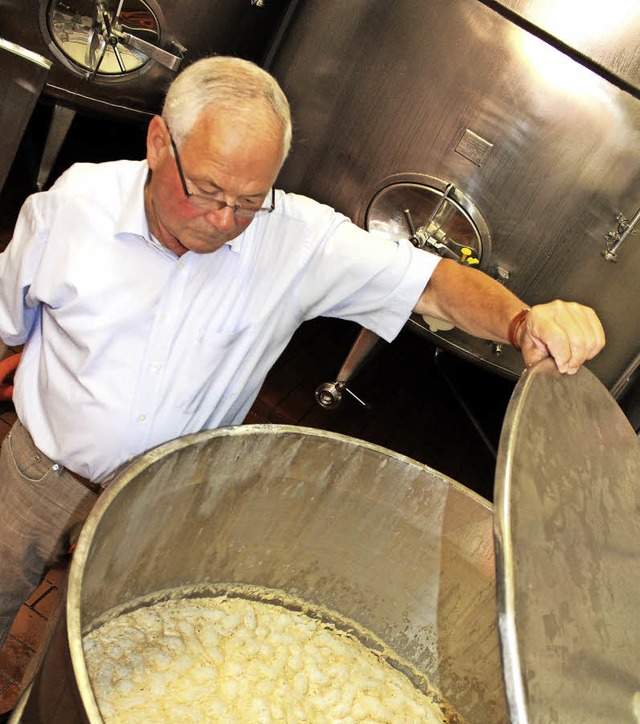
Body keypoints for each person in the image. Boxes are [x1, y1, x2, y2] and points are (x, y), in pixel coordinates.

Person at [0, 56, 604, 659]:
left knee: (88, 662)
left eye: (247, 201)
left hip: (159, 507)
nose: (222, 220)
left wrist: (523, 320)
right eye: (206, 190)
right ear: (159, 142)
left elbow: (436, 284)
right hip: (39, 473)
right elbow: (7, 323)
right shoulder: (73, 208)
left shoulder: (296, 239)